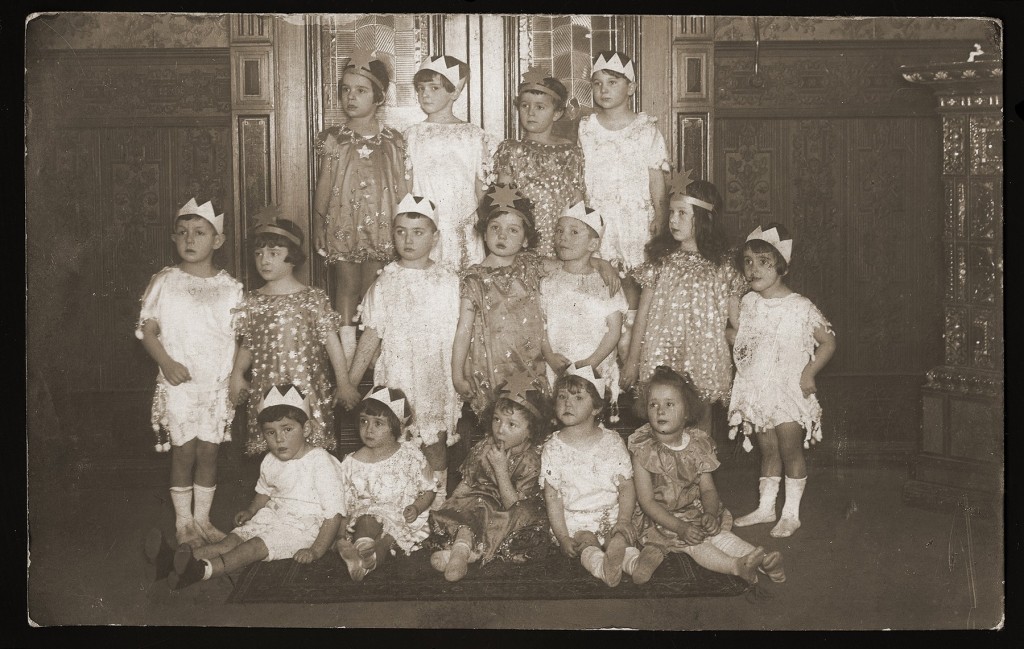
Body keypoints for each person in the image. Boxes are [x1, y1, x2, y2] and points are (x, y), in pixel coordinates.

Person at [150, 384, 345, 589]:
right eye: (270, 433)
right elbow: (264, 491)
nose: (279, 438)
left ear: (306, 428)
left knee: (251, 547)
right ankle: (169, 561)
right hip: (273, 517)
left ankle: (201, 571)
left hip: (304, 529)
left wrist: (316, 550)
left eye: (287, 429)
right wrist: (251, 510)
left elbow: (334, 514)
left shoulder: (321, 462)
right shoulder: (270, 460)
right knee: (230, 542)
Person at [452, 183, 620, 420]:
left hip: (531, 362)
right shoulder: (474, 278)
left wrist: (603, 264)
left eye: (513, 230)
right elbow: (463, 329)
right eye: (495, 227)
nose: (502, 235)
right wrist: (458, 374)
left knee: (530, 420)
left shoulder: (531, 266)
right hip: (492, 363)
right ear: (484, 231)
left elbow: (573, 262)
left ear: (525, 240)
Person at [137, 198, 243, 548]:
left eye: (199, 233)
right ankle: (184, 523)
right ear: (173, 238)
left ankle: (203, 519)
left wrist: (234, 378)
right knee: (183, 451)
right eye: (182, 233)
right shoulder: (166, 282)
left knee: (209, 451)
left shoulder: (231, 288)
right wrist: (166, 363)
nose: (190, 239)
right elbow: (147, 331)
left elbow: (240, 336)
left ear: (217, 241)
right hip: (178, 381)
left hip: (214, 383)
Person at [344, 194, 462, 507]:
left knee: (433, 439)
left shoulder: (449, 280)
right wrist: (351, 382)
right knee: (396, 437)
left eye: (418, 232)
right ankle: (399, 500)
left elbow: (462, 332)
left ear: (435, 237)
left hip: (434, 374)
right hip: (397, 372)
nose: (408, 240)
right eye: (401, 231)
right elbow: (372, 335)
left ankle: (437, 501)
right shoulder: (386, 281)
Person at [629, 366, 786, 585]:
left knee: (720, 535)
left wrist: (711, 513)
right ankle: (735, 567)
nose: (660, 411)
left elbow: (708, 489)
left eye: (669, 404)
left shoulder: (696, 444)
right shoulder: (643, 448)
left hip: (693, 511)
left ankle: (764, 561)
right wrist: (680, 527)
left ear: (686, 412)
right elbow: (646, 502)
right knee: (695, 544)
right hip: (661, 519)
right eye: (653, 404)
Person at [728, 224, 837, 538]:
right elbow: (742, 338)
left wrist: (809, 373)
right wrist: (733, 332)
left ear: (781, 266)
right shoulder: (749, 302)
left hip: (788, 390)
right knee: (769, 451)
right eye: (748, 261)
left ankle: (791, 513)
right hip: (759, 390)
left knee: (790, 450)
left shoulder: (800, 307)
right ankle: (766, 507)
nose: (753, 268)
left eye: (763, 262)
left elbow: (829, 343)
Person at [621, 172, 746, 432]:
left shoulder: (723, 265)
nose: (673, 221)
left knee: (701, 422)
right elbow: (643, 314)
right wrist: (632, 360)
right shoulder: (661, 261)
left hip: (704, 356)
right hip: (663, 353)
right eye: (671, 213)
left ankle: (700, 471)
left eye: (682, 214)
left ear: (704, 218)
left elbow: (737, 319)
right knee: (663, 419)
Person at [229, 210, 357, 455]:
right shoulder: (253, 301)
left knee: (310, 451)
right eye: (259, 254)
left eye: (274, 253)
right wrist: (237, 374)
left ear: (293, 257)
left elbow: (332, 342)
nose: (264, 260)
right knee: (275, 445)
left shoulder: (312, 298)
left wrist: (343, 382)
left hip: (307, 387)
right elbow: (248, 343)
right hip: (266, 386)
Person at [313, 48, 411, 366]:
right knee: (346, 285)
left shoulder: (393, 141)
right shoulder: (334, 140)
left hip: (382, 226)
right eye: (346, 90)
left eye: (360, 90)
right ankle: (348, 348)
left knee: (374, 287)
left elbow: (402, 187)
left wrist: (403, 225)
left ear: (379, 97)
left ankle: (370, 355)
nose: (351, 97)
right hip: (342, 223)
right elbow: (324, 186)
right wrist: (318, 224)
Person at [577, 50, 670, 356]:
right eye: (597, 83)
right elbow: (579, 179)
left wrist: (659, 216)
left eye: (612, 82)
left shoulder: (646, 130)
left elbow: (657, 179)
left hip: (635, 220)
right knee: (601, 285)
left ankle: (632, 353)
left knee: (635, 284)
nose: (603, 89)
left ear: (630, 87)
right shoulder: (586, 129)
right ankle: (602, 356)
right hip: (600, 220)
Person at [428, 373, 551, 582]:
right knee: (467, 513)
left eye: (512, 424)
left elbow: (514, 505)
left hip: (507, 512)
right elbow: (468, 483)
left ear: (530, 431)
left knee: (524, 529)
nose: (500, 429)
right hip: (477, 505)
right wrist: (452, 504)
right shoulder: (485, 446)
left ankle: (464, 552)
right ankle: (462, 552)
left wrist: (501, 470)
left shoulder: (531, 460)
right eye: (496, 419)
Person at [541, 366, 638, 587]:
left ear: (596, 408)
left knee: (620, 538)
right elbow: (553, 497)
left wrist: (623, 520)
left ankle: (634, 564)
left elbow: (626, 486)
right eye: (562, 397)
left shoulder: (612, 442)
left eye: (578, 397)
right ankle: (602, 567)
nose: (567, 403)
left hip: (612, 514)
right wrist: (563, 536)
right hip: (575, 520)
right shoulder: (553, 448)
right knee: (586, 542)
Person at [335, 386, 436, 581]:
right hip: (367, 513)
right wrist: (340, 533)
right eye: (363, 421)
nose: (368, 429)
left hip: (401, 515)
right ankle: (361, 553)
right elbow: (343, 503)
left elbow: (429, 489)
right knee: (367, 521)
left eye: (378, 423)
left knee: (390, 539)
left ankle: (371, 558)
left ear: (395, 427)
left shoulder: (410, 454)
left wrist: (417, 507)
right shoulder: (351, 462)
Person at [404, 54, 493, 270]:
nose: (425, 94)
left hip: (463, 229)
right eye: (421, 88)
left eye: (434, 88)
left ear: (455, 92)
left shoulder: (473, 135)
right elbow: (407, 187)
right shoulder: (412, 135)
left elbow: (481, 190)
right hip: (426, 227)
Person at [540, 201, 627, 417]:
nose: (563, 237)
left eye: (574, 232)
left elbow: (614, 330)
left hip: (593, 363)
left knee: (589, 414)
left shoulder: (606, 282)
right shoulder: (548, 282)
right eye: (559, 231)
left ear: (593, 244)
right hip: (558, 364)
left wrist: (591, 363)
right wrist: (549, 356)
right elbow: (539, 324)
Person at [494, 68, 586, 256]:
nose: (531, 113)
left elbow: (578, 201)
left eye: (540, 107)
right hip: (525, 239)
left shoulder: (570, 152)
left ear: (557, 113)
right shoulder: (512, 150)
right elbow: (503, 203)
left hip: (561, 238)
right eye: (525, 106)